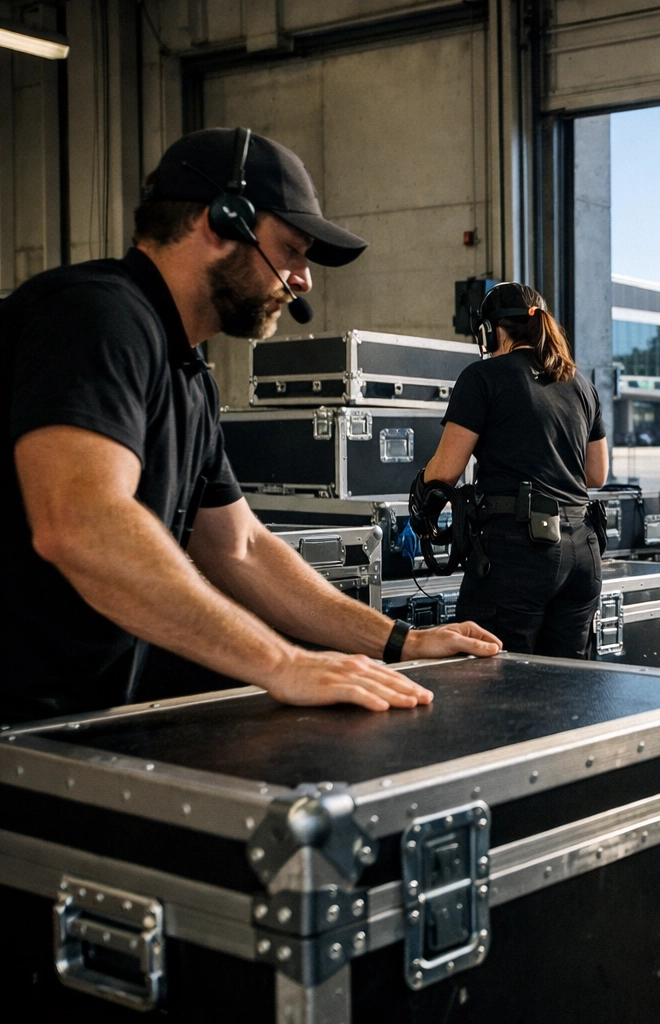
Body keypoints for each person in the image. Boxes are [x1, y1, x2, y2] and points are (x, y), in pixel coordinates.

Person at [0, 128, 501, 725]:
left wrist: (402, 642)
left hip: (70, 718)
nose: (303, 279)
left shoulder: (186, 372)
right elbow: (81, 524)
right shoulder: (97, 316)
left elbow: (241, 548)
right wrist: (280, 663)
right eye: (290, 249)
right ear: (221, 223)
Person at [415, 282, 608, 657]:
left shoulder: (483, 377)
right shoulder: (581, 384)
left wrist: (420, 501)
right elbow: (596, 475)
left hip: (517, 554)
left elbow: (445, 472)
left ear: (489, 330)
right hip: (583, 553)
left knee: (495, 679)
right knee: (567, 686)